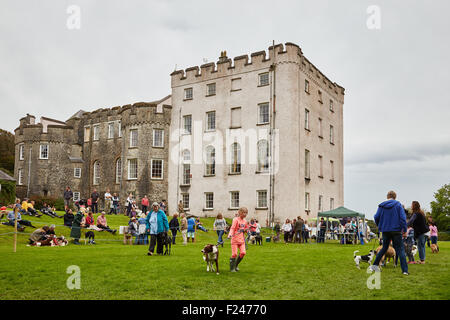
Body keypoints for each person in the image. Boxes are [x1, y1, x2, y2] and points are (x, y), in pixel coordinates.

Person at [369, 190, 409, 275]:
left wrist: (380, 225)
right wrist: (404, 230)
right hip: (396, 230)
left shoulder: (381, 205)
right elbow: (402, 218)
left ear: (387, 196)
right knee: (400, 250)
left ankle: (374, 266)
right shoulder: (398, 205)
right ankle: (405, 271)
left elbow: (376, 217)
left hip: (385, 230)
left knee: (384, 249)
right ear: (395, 197)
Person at [228, 207, 249, 272]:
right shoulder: (235, 219)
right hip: (234, 240)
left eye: (246, 213)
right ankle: (232, 268)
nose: (245, 214)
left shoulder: (245, 221)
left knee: (243, 252)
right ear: (240, 212)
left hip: (242, 240)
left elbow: (246, 228)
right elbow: (232, 228)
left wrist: (246, 230)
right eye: (243, 213)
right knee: (234, 254)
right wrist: (230, 234)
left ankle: (235, 265)